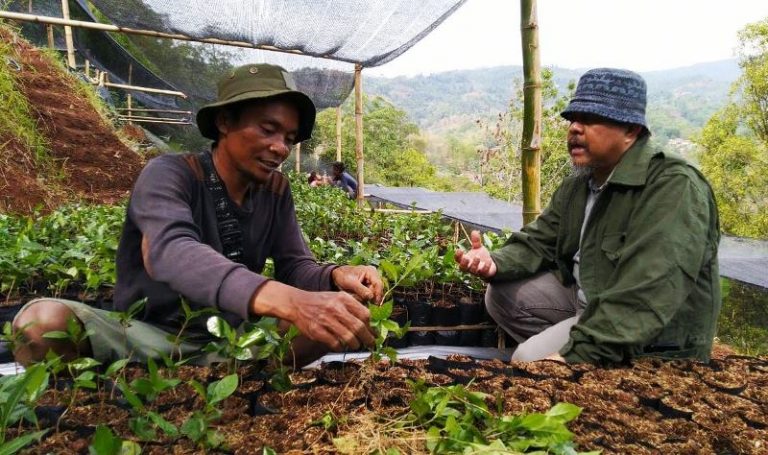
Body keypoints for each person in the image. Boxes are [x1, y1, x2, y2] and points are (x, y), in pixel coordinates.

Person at [13, 63, 382, 368]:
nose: (280, 147)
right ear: (224, 122)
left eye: (289, 137)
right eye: (268, 129)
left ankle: (238, 386)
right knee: (42, 322)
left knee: (339, 319)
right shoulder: (170, 173)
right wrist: (289, 301)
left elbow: (295, 266)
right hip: (149, 339)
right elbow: (171, 251)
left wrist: (337, 276)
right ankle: (103, 402)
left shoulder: (276, 191)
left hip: (234, 341)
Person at [455, 68, 721, 364]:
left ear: (631, 131)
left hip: (650, 334)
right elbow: (539, 240)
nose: (574, 129)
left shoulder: (672, 186)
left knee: (526, 358)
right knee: (502, 293)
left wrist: (571, 357)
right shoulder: (580, 184)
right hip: (590, 301)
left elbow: (646, 294)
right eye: (573, 119)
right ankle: (588, 349)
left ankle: (602, 355)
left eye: (590, 120)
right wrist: (495, 262)